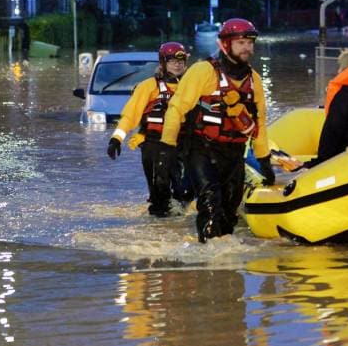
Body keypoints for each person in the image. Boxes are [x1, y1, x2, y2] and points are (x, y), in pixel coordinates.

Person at [159, 18, 274, 242]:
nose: (247, 48)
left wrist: (265, 161)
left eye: (250, 43)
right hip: (201, 150)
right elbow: (176, 109)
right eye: (241, 43)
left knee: (230, 211)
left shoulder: (254, 80)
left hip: (234, 153)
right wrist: (167, 147)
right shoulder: (203, 71)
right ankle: (209, 263)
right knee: (211, 205)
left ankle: (227, 271)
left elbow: (259, 123)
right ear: (225, 44)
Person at [106, 41, 192, 217]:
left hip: (183, 143)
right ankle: (159, 224)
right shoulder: (148, 87)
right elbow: (130, 115)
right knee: (159, 188)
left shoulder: (192, 87)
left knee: (184, 190)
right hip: (154, 144)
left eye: (181, 60)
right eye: (172, 61)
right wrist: (116, 139)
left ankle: (179, 215)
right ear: (163, 63)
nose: (178, 64)